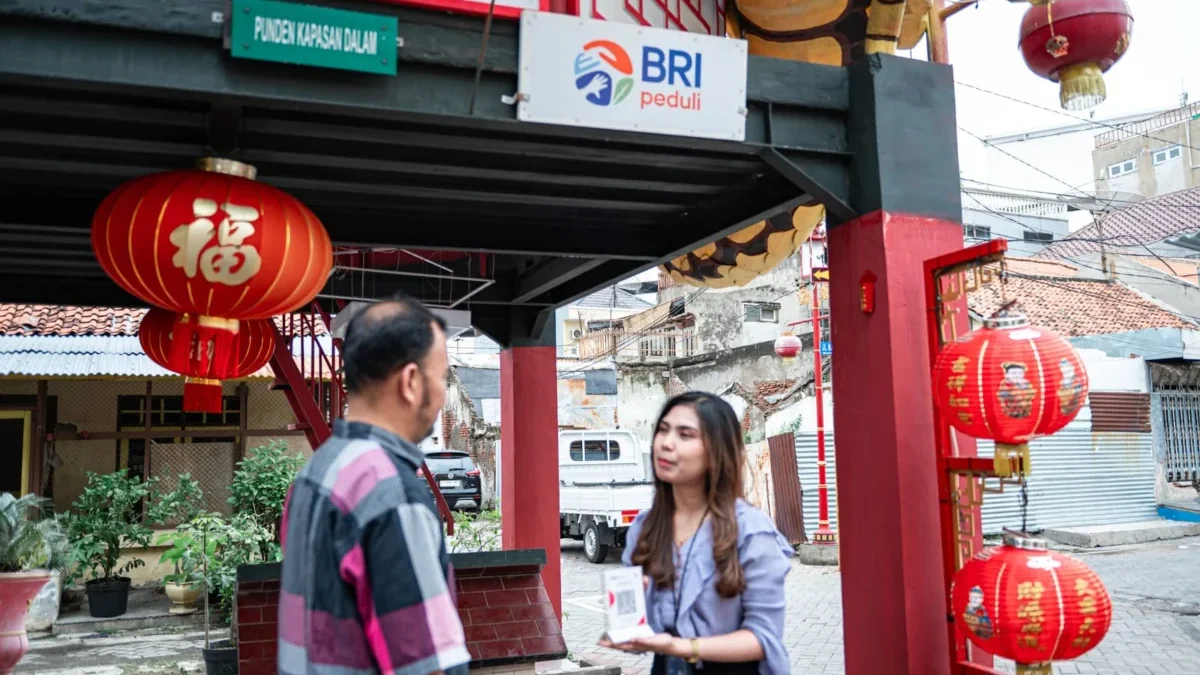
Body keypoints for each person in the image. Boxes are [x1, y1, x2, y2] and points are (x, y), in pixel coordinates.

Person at [278, 295, 469, 675]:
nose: (444, 392)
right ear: (412, 382)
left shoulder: (316, 471)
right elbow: (426, 667)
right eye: (442, 376)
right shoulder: (393, 496)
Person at [601, 392, 794, 675]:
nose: (666, 443)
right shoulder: (645, 529)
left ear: (716, 450)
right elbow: (646, 636)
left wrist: (682, 647)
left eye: (685, 435)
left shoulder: (752, 531)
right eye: (663, 430)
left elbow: (763, 638)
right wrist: (629, 624)